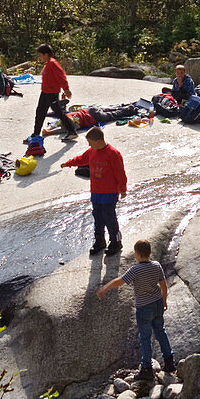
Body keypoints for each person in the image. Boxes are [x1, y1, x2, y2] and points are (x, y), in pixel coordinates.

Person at [97, 239, 175, 382]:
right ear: (149, 252)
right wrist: (164, 300)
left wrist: (105, 288)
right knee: (160, 332)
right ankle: (169, 362)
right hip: (157, 303)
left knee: (145, 338)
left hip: (144, 308)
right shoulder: (156, 266)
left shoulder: (135, 270)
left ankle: (146, 369)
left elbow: (119, 281)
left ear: (137, 254)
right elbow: (163, 286)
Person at [61, 127, 127, 256]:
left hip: (109, 192)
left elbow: (120, 173)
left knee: (110, 217)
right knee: (97, 217)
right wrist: (68, 163)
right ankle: (99, 240)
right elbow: (81, 159)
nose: (89, 145)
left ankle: (116, 241)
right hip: (96, 192)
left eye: (90, 142)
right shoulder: (92, 151)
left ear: (98, 141)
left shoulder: (113, 153)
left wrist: (123, 189)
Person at [33, 43, 77, 140]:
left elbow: (61, 76)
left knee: (59, 112)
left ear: (46, 54)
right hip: (45, 92)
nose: (39, 58)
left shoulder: (53, 64)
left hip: (52, 93)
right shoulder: (47, 64)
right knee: (40, 112)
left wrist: (66, 89)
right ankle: (36, 134)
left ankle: (72, 131)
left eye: (40, 55)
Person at [42, 103, 139, 135]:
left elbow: (62, 129)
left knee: (112, 115)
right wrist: (50, 128)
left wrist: (50, 132)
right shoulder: (66, 116)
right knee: (108, 109)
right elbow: (57, 123)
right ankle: (125, 106)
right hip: (90, 110)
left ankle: (128, 109)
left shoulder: (74, 125)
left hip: (94, 117)